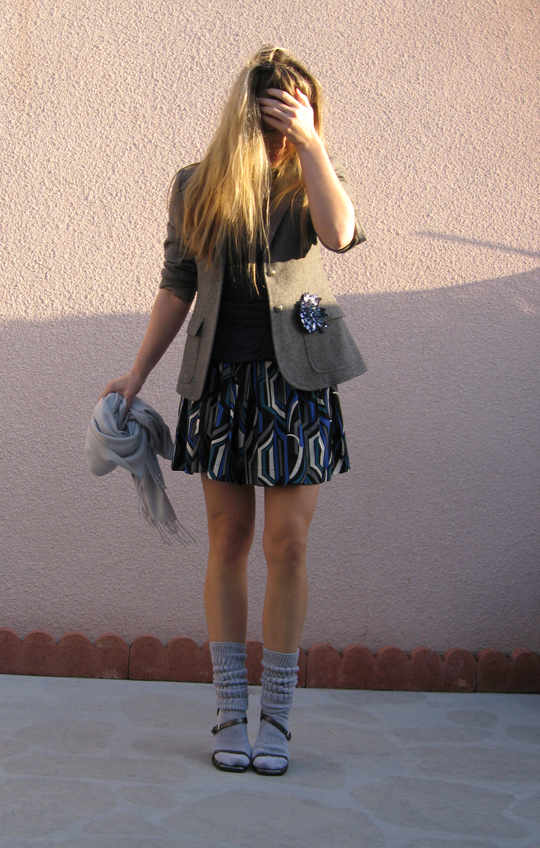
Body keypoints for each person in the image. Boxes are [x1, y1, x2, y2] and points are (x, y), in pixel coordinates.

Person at [99, 45, 366, 776]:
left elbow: (339, 235)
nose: (284, 119)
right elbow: (176, 285)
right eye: (277, 107)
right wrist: (136, 372)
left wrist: (310, 144)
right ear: (246, 107)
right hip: (218, 381)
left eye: (300, 107)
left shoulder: (314, 173)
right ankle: (227, 713)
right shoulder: (197, 183)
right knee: (228, 541)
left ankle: (275, 719)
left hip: (298, 383)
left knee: (289, 545)